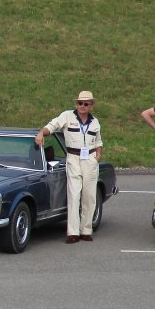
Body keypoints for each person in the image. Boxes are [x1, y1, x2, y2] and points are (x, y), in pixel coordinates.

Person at [37, 90, 103, 243]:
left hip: (90, 159)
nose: (82, 106)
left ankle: (86, 230)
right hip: (73, 157)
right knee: (74, 194)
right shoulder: (67, 116)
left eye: (85, 104)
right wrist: (41, 133)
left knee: (89, 196)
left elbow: (98, 141)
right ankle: (72, 232)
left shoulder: (95, 122)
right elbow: (52, 126)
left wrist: (98, 156)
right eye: (80, 103)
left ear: (91, 106)